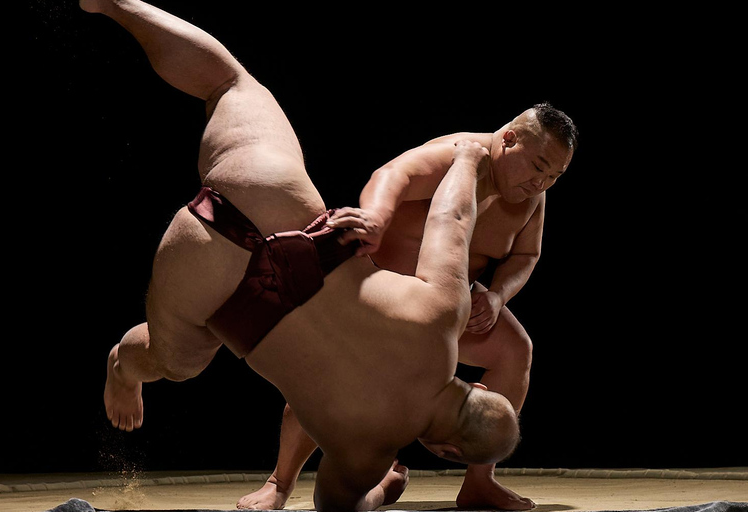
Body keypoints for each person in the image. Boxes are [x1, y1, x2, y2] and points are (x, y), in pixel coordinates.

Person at [80, 1, 520, 510]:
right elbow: (335, 507)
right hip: (213, 284)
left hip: (270, 198)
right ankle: (125, 368)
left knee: (231, 84)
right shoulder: (364, 455)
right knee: (171, 360)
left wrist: (467, 157)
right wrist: (381, 489)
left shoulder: (446, 315)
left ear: (471, 385)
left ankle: (116, 3)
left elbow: (453, 221)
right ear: (444, 449)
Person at [237, 106, 578, 510]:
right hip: (383, 297)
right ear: (508, 139)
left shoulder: (532, 196)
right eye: (538, 166)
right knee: (331, 383)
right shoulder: (459, 153)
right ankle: (280, 482)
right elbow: (392, 175)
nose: (541, 182)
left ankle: (479, 481)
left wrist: (497, 295)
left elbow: (527, 255)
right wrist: (378, 218)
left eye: (555, 176)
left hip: (451, 306)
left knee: (516, 349)